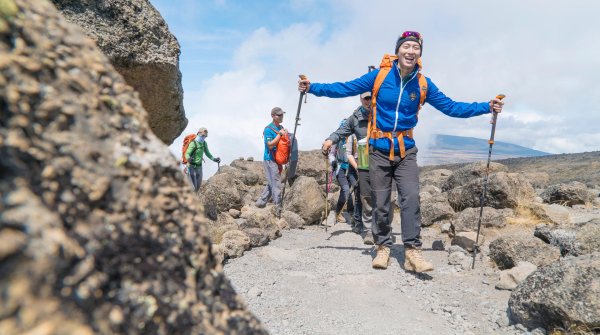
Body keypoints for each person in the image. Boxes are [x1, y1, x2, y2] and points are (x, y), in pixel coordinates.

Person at [299, 31, 504, 272]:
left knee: (411, 199)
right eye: (406, 46)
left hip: (406, 150)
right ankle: (383, 247)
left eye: (415, 48)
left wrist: (486, 107)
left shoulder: (424, 84)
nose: (410, 51)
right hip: (378, 150)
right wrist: (312, 88)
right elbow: (344, 88)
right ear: (398, 51)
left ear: (419, 54)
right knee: (382, 202)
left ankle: (412, 252)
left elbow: (451, 107)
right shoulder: (379, 76)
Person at [323, 92, 373, 245]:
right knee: (349, 191)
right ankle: (344, 216)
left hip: (358, 166)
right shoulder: (344, 138)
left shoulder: (355, 135)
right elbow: (335, 153)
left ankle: (357, 220)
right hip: (344, 168)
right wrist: (333, 163)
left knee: (359, 193)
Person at [256, 107, 288, 208]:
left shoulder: (281, 127)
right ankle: (277, 207)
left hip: (278, 159)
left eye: (282, 114)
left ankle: (260, 202)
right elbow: (270, 145)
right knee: (276, 183)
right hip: (269, 159)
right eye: (279, 115)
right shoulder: (268, 130)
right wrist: (280, 135)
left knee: (272, 182)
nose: (281, 116)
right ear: (273, 116)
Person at [328, 119, 357, 224]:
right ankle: (338, 213)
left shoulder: (354, 137)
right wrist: (333, 162)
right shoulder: (338, 140)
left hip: (351, 168)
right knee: (345, 189)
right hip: (340, 168)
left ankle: (351, 213)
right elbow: (331, 154)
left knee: (349, 190)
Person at [185, 127, 220, 192]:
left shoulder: (204, 143)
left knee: (197, 188)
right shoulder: (193, 143)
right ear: (198, 134)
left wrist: (214, 159)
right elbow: (187, 153)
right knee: (193, 188)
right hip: (191, 167)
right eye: (203, 135)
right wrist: (188, 158)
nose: (204, 137)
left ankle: (194, 201)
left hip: (199, 167)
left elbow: (207, 153)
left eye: (205, 136)